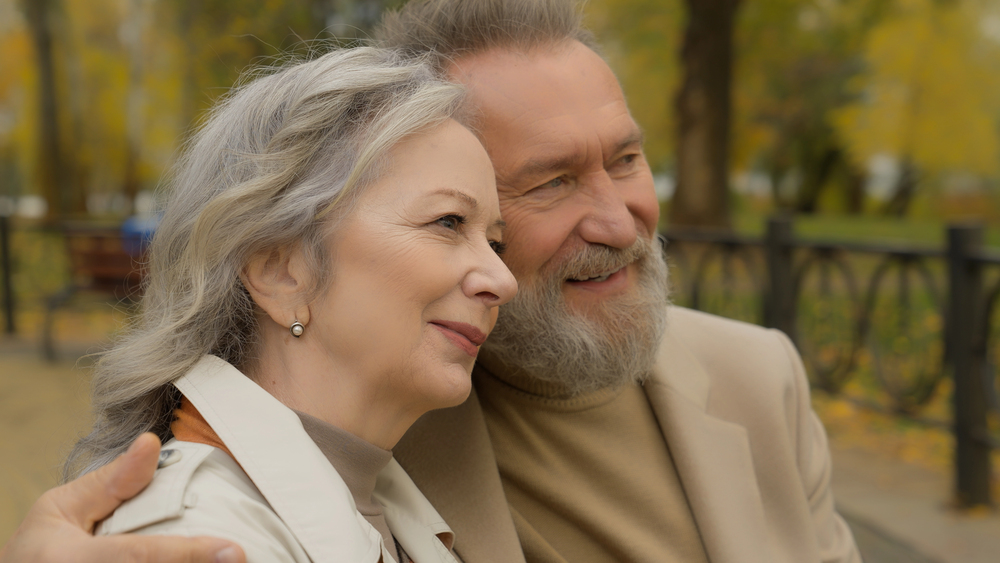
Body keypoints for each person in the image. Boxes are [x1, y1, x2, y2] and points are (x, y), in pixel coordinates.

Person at [1, 1, 862, 562]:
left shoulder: (762, 377)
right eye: (551, 181)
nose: (616, 218)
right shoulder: (373, 408)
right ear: (279, 267)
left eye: (627, 159)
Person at [18, 46, 516, 563]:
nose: (503, 279)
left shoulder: (382, 505)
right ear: (280, 273)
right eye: (448, 222)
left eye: (496, 243)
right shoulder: (200, 538)